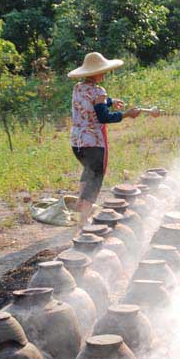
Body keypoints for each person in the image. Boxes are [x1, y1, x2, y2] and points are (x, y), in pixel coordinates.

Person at [68, 52, 149, 228]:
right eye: (102, 71)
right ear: (94, 73)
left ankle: (82, 204)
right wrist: (126, 114)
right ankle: (84, 220)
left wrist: (110, 101)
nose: (104, 74)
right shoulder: (98, 91)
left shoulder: (77, 88)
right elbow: (103, 117)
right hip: (93, 142)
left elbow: (92, 103)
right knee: (96, 177)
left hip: (76, 142)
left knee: (88, 170)